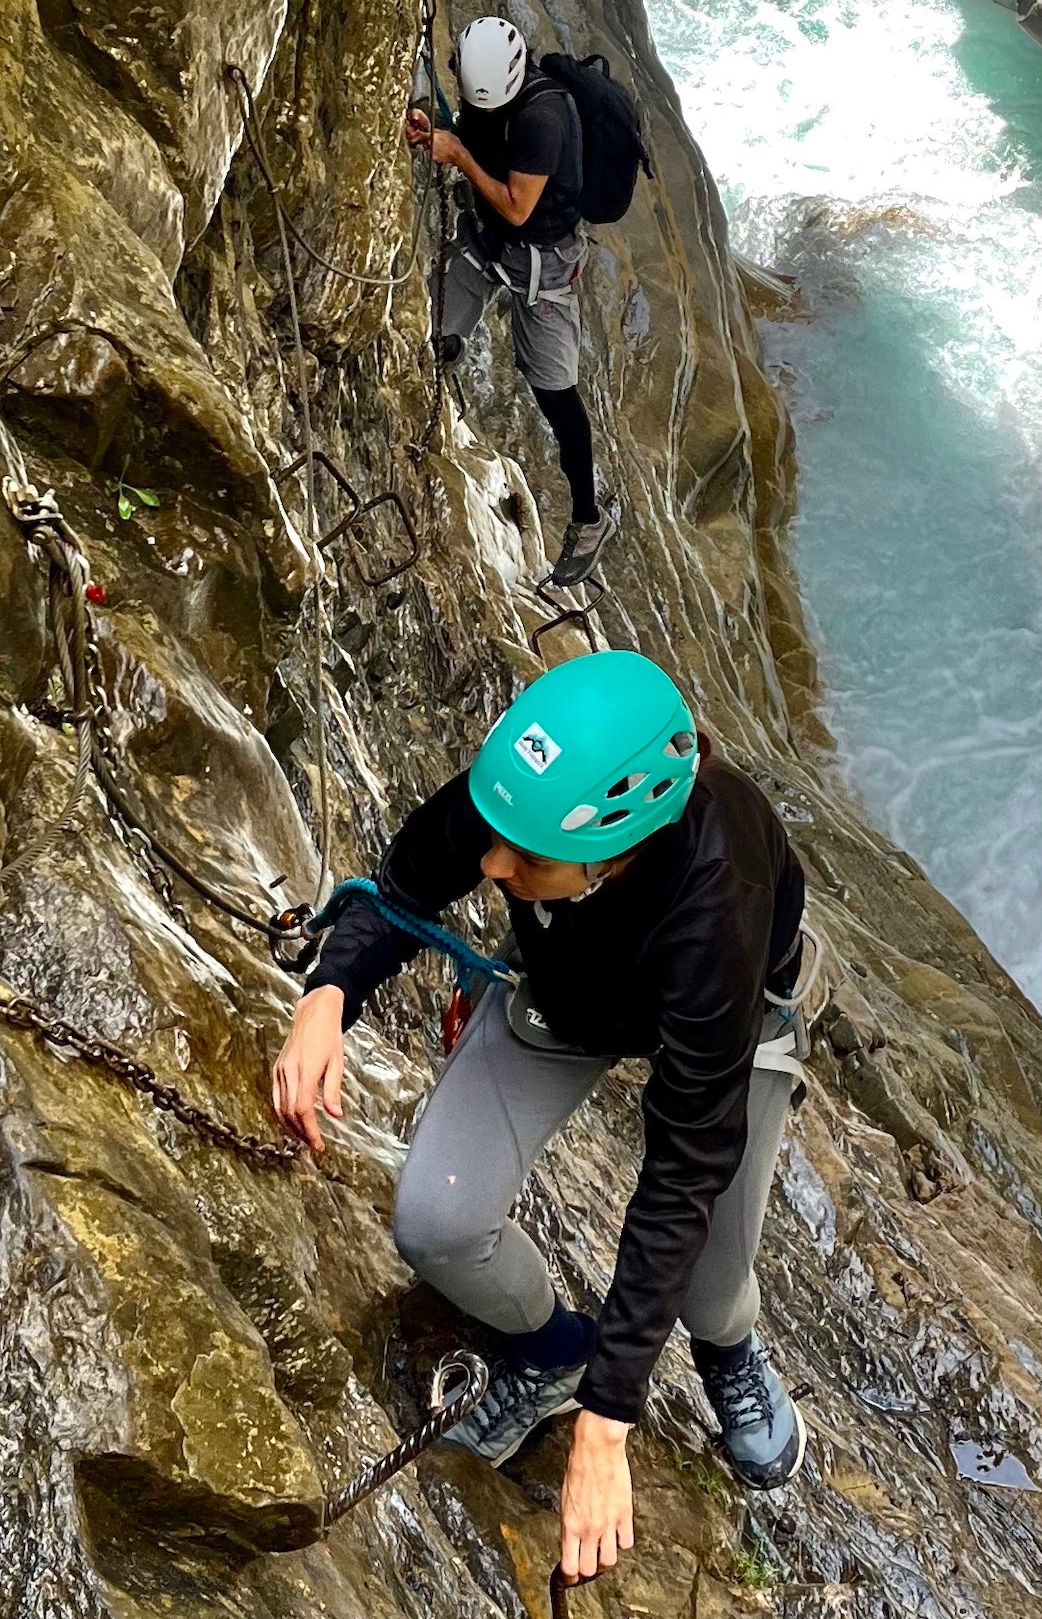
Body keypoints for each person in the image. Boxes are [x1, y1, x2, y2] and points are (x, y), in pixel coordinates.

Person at [271, 648, 815, 1579]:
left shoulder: (718, 906)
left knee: (705, 1288)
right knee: (436, 1223)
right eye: (497, 838)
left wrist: (609, 1424)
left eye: (525, 858)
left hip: (731, 1017)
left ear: (614, 853)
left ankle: (728, 1348)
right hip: (572, 995)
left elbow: (683, 1167)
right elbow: (409, 884)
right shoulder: (531, 796)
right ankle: (555, 1349)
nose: (492, 864)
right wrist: (329, 992)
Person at [406, 15, 615, 587]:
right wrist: (437, 132)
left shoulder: (543, 120)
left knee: (556, 394)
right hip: (487, 241)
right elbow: (476, 137)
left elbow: (519, 207)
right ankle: (434, 391)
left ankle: (588, 520)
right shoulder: (484, 79)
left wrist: (458, 155)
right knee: (432, 334)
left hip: (542, 263)